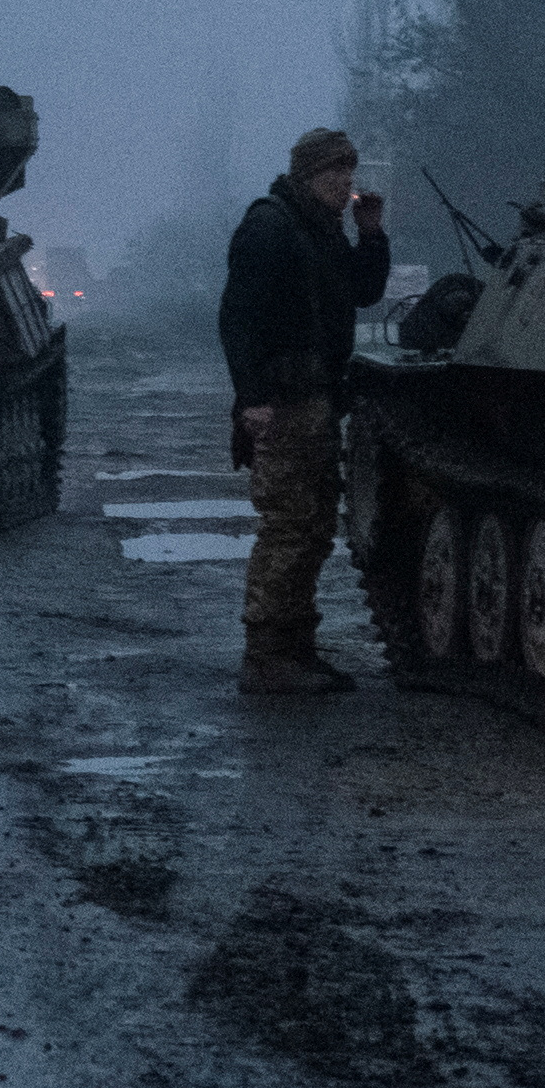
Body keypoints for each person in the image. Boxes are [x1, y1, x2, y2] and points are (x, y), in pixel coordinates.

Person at [216, 127, 390, 695]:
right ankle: (267, 654)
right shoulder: (271, 227)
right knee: (289, 526)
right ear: (308, 176)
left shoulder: (323, 231)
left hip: (315, 400)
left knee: (314, 528)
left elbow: (362, 293)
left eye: (349, 173)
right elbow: (237, 318)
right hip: (283, 403)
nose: (346, 185)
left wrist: (371, 236)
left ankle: (294, 647)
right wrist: (252, 399)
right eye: (335, 174)